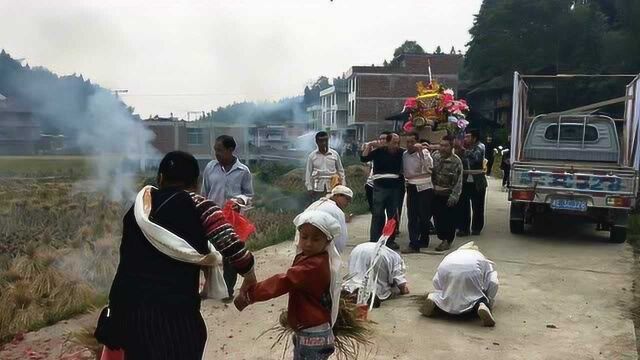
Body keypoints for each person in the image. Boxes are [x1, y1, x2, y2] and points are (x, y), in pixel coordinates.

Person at [106, 151, 256, 360]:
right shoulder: (201, 206)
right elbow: (232, 247)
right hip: (176, 314)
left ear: (160, 179)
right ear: (196, 182)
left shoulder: (139, 209)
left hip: (133, 313)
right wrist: (250, 276)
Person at [234, 210, 342, 360]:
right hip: (309, 329)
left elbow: (284, 281)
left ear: (327, 241)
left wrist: (250, 295)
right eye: (304, 237)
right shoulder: (310, 257)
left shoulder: (314, 266)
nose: (309, 243)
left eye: (316, 239)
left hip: (312, 333)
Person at [202, 135, 255, 299]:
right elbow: (204, 193)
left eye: (220, 150)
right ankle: (209, 288)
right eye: (215, 150)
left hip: (232, 220)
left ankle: (227, 291)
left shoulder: (243, 171)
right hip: (212, 219)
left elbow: (249, 194)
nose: (216, 153)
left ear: (230, 150)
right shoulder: (210, 168)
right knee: (209, 255)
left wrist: (240, 201)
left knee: (230, 256)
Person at [419, 242, 499, 327]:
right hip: (472, 270)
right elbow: (493, 282)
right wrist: (489, 300)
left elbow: (436, 280)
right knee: (475, 297)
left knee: (443, 295)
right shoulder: (481, 258)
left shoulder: (452, 255)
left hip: (446, 267)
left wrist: (442, 290)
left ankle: (434, 298)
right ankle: (482, 305)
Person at [360, 132, 405, 250]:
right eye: (394, 142)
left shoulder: (401, 152)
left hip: (394, 188)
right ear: (388, 142)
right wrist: (369, 145)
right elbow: (364, 158)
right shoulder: (378, 152)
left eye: (398, 143)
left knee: (392, 216)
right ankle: (375, 240)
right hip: (380, 187)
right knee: (378, 214)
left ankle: (390, 240)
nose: (396, 145)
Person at [343, 242, 409, 308]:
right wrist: (404, 289)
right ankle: (370, 293)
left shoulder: (390, 253)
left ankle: (355, 288)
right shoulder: (397, 258)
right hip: (379, 255)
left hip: (357, 250)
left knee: (357, 276)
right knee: (379, 285)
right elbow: (400, 281)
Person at [401, 133, 434, 253]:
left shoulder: (424, 153)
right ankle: (413, 243)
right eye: (407, 142)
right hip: (411, 186)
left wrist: (421, 153)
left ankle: (424, 239)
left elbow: (429, 168)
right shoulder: (404, 154)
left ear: (417, 142)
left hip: (425, 187)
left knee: (424, 216)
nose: (410, 144)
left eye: (412, 142)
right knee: (412, 216)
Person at [431, 135, 463, 252]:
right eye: (441, 145)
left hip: (448, 194)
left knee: (448, 220)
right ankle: (442, 237)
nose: (443, 148)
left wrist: (454, 197)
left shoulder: (456, 161)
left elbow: (458, 181)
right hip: (435, 193)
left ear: (451, 146)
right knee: (437, 219)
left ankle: (447, 240)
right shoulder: (435, 157)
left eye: (446, 146)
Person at [456, 130, 488, 237]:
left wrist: (462, 150)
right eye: (464, 137)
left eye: (468, 137)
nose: (465, 139)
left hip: (478, 182)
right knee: (463, 206)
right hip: (465, 181)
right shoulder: (462, 148)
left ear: (474, 138)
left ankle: (476, 228)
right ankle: (463, 229)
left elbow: (476, 158)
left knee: (478, 206)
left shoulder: (480, 146)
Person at [304, 185, 353, 254]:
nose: (348, 203)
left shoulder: (315, 204)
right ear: (337, 195)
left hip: (304, 248)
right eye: (347, 199)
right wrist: (336, 255)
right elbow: (340, 239)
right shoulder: (337, 211)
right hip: (322, 251)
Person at [305, 131, 346, 203]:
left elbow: (341, 171)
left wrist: (343, 185)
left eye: (325, 140)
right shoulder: (312, 156)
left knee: (332, 205)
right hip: (318, 187)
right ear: (317, 142)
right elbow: (308, 173)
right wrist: (309, 188)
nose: (324, 143)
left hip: (333, 186)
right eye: (321, 141)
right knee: (319, 206)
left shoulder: (334, 154)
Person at [364, 131, 391, 213]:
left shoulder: (393, 152)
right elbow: (364, 159)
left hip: (385, 185)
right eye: (381, 139)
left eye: (385, 139)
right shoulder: (376, 152)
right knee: (375, 211)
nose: (382, 141)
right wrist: (369, 146)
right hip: (371, 184)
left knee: (387, 209)